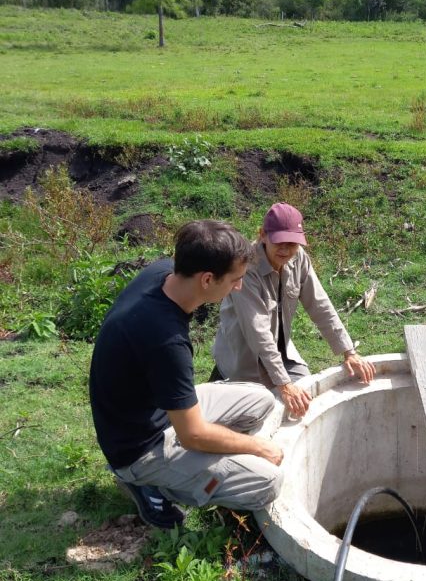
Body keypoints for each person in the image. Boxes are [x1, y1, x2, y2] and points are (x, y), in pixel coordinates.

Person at [89, 220, 284, 529]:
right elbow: (191, 434)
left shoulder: (164, 273)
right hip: (139, 448)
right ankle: (151, 484)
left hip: (156, 410)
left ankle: (207, 466)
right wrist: (258, 448)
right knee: (267, 483)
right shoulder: (165, 341)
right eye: (235, 280)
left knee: (261, 399)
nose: (239, 287)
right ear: (207, 279)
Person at [211, 202, 375, 417]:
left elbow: (320, 305)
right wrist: (284, 384)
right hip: (243, 360)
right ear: (262, 235)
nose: (286, 250)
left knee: (307, 400)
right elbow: (258, 331)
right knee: (250, 417)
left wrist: (349, 352)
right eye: (279, 242)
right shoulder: (246, 269)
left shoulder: (299, 259)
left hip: (282, 351)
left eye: (293, 243)